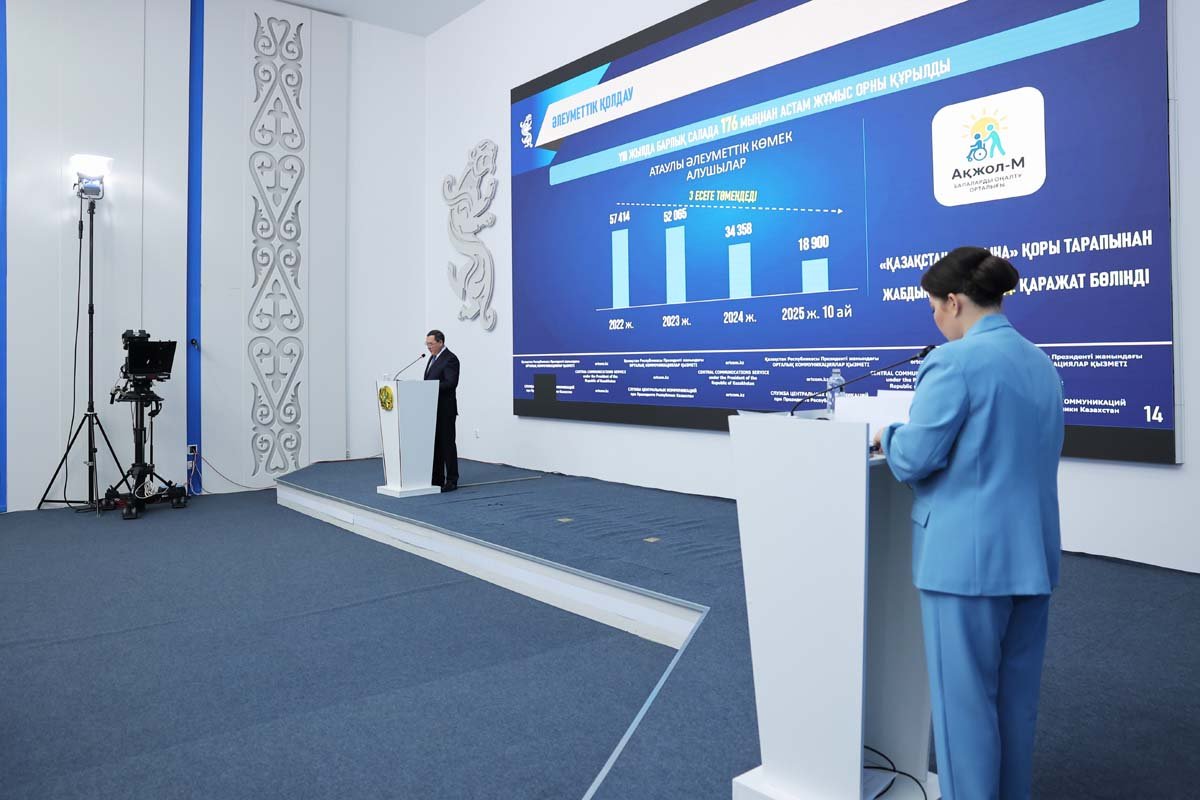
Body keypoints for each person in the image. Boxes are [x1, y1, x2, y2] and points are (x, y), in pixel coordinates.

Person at [873, 247, 1063, 800]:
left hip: (963, 565)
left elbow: (915, 457)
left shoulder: (952, 363)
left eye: (934, 306)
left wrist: (888, 433)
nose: (934, 318)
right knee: (1014, 705)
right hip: (1032, 558)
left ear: (954, 302)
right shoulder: (1040, 362)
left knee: (964, 712)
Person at [424, 329, 460, 492]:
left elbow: (451, 383)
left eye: (431, 344)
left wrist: (429, 388)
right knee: (436, 445)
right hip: (432, 409)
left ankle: (451, 480)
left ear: (440, 342)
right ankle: (437, 479)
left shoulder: (450, 359)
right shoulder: (432, 358)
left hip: (445, 409)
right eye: (427, 344)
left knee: (447, 444)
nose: (428, 347)